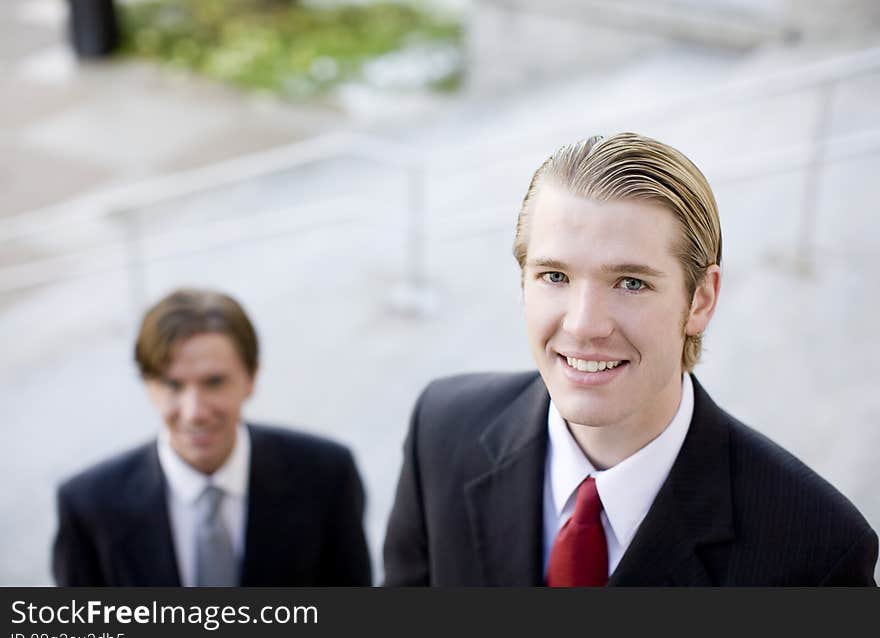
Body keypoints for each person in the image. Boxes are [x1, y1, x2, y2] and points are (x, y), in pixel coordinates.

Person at [382, 133, 878, 586]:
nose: (583, 324)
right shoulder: (442, 431)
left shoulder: (817, 551)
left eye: (631, 283)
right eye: (555, 276)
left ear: (701, 300)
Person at [53, 288, 372, 586]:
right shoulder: (88, 505)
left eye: (214, 382)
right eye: (173, 386)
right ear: (148, 386)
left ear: (251, 378)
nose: (195, 412)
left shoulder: (327, 476)